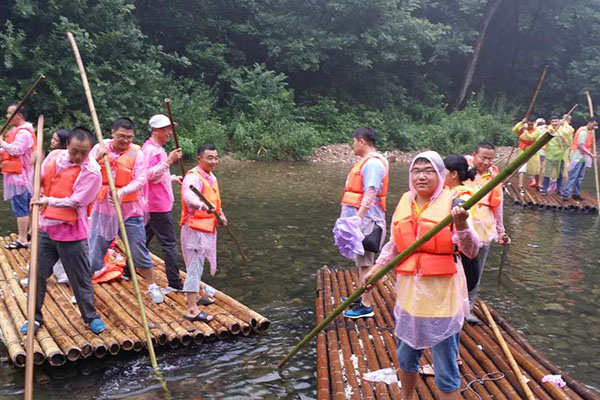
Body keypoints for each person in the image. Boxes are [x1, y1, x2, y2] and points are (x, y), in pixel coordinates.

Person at [362, 151, 480, 400]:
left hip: (442, 299)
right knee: (405, 358)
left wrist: (461, 225)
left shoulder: (454, 204)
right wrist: (376, 269)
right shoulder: (406, 200)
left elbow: (471, 250)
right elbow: (395, 243)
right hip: (410, 297)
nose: (421, 177)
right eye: (416, 171)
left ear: (440, 175)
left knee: (446, 368)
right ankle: (406, 397)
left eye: (428, 171)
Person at [20, 128, 106, 335]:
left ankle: (90, 316)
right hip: (46, 229)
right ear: (67, 145)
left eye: (83, 153)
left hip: (72, 235)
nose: (78, 157)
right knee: (37, 275)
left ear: (89, 151)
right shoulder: (54, 156)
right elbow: (38, 183)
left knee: (80, 278)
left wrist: (47, 200)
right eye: (74, 151)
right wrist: (33, 168)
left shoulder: (92, 171)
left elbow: (76, 201)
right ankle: (34, 317)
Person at [88, 117, 163, 303]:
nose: (126, 140)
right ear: (112, 132)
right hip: (103, 209)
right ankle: (84, 287)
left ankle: (152, 286)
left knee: (138, 248)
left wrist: (122, 191)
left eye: (129, 137)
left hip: (129, 210)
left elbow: (140, 180)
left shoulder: (138, 153)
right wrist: (97, 158)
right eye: (121, 136)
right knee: (95, 247)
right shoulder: (100, 147)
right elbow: (85, 168)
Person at [340, 127, 388, 319]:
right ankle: (360, 297)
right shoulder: (367, 163)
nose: (352, 145)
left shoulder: (373, 164)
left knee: (366, 263)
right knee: (362, 261)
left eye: (353, 141)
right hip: (363, 219)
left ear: (361, 141)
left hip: (368, 221)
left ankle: (366, 305)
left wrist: (357, 218)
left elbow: (371, 191)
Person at [180, 144, 228, 322]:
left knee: (198, 265)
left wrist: (220, 215)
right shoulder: (193, 177)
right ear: (199, 158)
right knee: (194, 266)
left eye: (216, 157)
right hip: (194, 229)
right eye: (210, 158)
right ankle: (192, 310)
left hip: (207, 227)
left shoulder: (211, 177)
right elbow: (188, 197)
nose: (214, 161)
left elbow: (214, 200)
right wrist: (203, 205)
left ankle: (196, 296)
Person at [464, 142, 510, 322]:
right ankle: (451, 307)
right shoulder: (464, 172)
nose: (487, 162)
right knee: (458, 268)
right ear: (474, 155)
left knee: (477, 271)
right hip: (463, 229)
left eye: (491, 159)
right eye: (483, 158)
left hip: (484, 228)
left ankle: (468, 307)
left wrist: (501, 231)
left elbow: (498, 206)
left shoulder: (495, 177)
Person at [142, 114, 184, 292]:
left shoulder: (156, 148)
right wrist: (169, 161)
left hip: (155, 203)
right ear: (157, 130)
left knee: (142, 239)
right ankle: (174, 282)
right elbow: (149, 175)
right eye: (167, 129)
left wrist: (173, 178)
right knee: (169, 244)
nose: (170, 133)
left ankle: (128, 269)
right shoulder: (151, 150)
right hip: (157, 205)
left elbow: (159, 176)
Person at [1, 104, 35, 249]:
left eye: (10, 114)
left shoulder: (24, 133)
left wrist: (1, 141)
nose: (7, 117)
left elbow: (16, 150)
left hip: (21, 178)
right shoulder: (16, 132)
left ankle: (22, 239)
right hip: (16, 176)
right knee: (24, 206)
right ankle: (29, 233)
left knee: (21, 208)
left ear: (19, 115)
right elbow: (6, 150)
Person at [563, 117, 598, 201]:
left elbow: (589, 144)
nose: (594, 127)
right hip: (577, 157)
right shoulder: (583, 131)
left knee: (580, 176)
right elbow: (580, 145)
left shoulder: (590, 132)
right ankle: (566, 194)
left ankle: (576, 193)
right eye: (593, 125)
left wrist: (591, 153)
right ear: (590, 122)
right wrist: (591, 154)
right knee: (573, 176)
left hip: (584, 157)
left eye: (596, 126)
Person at [541, 116, 570, 196]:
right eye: (553, 121)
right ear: (551, 122)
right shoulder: (547, 130)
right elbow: (541, 139)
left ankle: (559, 190)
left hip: (560, 156)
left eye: (556, 121)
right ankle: (544, 189)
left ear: (559, 122)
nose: (555, 123)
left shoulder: (562, 131)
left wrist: (564, 124)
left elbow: (567, 144)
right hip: (550, 155)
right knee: (547, 174)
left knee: (559, 174)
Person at [512, 116, 541, 192]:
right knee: (522, 168)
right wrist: (522, 122)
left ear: (534, 124)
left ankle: (538, 184)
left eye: (532, 124)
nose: (530, 126)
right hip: (523, 150)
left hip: (532, 151)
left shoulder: (537, 131)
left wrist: (524, 131)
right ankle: (520, 186)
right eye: (529, 124)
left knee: (536, 169)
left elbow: (530, 138)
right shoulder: (522, 128)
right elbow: (514, 130)